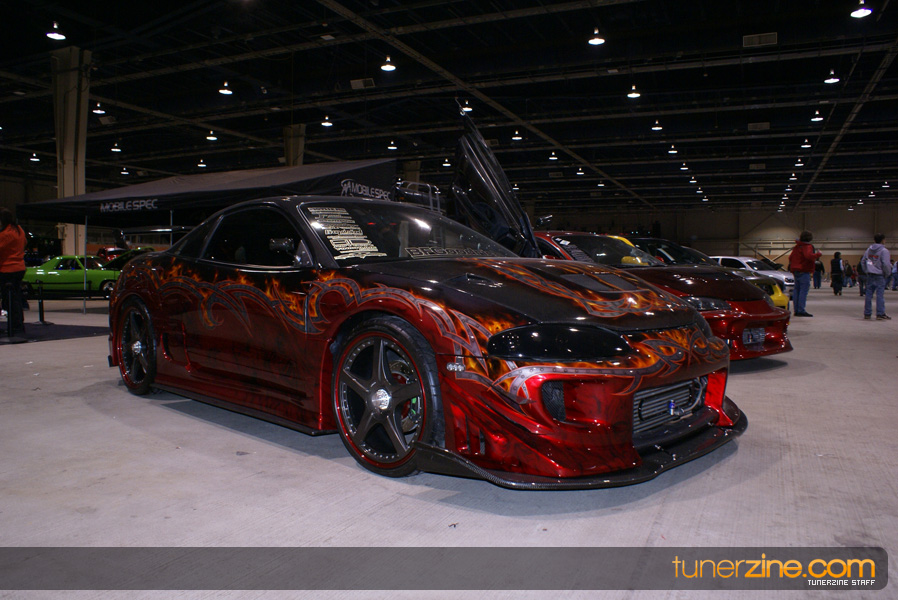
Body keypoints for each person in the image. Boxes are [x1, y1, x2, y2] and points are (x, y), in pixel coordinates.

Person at [0, 208, 27, 336]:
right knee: (15, 298)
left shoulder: (5, 234)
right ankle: (17, 325)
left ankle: (15, 326)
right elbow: (25, 243)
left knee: (9, 300)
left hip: (7, 269)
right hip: (19, 267)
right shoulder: (19, 229)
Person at [788, 230, 822, 317]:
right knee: (803, 291)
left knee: (797, 290)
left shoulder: (797, 246)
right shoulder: (807, 246)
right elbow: (808, 256)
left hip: (795, 271)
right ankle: (801, 310)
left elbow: (790, 257)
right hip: (804, 270)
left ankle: (796, 310)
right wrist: (818, 254)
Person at [862, 233, 891, 320]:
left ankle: (867, 313)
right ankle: (880, 313)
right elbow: (886, 264)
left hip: (870, 275)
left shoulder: (868, 250)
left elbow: (863, 261)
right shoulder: (884, 251)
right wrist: (887, 273)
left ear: (874, 240)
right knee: (880, 295)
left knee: (868, 295)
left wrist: (866, 270)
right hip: (880, 275)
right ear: (883, 240)